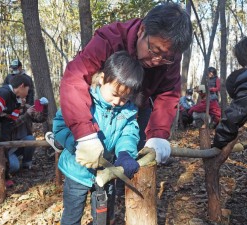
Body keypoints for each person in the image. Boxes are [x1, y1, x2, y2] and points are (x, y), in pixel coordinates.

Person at [59, 2, 193, 165]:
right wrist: (84, 133)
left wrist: (158, 134)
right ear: (142, 30)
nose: (157, 61)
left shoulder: (170, 58)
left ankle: (120, 189)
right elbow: (75, 79)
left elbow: (168, 93)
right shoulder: (109, 39)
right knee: (93, 155)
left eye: (166, 57)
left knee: (130, 157)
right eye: (154, 51)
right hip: (98, 109)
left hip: (137, 109)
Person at [48, 51, 144, 225]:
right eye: (114, 94)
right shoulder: (83, 101)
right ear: (102, 79)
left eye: (124, 98)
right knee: (71, 216)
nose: (117, 102)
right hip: (77, 172)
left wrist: (125, 153)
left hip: (106, 173)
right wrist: (75, 145)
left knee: (104, 217)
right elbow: (60, 126)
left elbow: (128, 134)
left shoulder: (128, 111)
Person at [8, 97, 48, 173]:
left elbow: (40, 119)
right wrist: (26, 115)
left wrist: (45, 107)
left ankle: (26, 164)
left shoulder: (27, 108)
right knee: (14, 167)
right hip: (10, 147)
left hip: (23, 143)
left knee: (31, 139)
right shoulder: (9, 109)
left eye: (24, 97)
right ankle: (12, 160)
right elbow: (11, 125)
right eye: (20, 97)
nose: (23, 99)